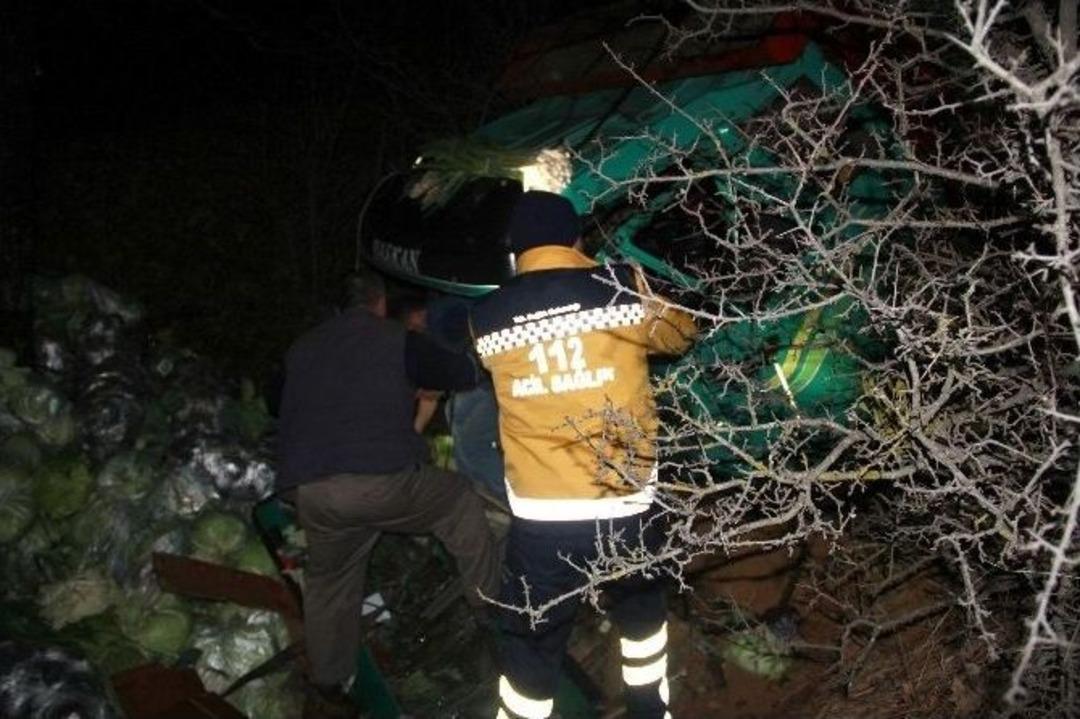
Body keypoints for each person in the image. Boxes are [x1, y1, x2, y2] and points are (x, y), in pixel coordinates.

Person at [469, 191, 697, 719]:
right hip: (626, 502)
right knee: (642, 624)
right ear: (576, 239)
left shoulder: (484, 316)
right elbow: (680, 335)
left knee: (530, 646)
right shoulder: (620, 286)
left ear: (515, 252)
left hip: (542, 520)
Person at [276, 267, 502, 717]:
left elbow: (280, 403)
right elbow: (461, 372)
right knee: (458, 500)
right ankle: (495, 612)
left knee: (330, 581)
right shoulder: (395, 339)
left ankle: (329, 684)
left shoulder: (301, 349)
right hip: (376, 483)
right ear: (379, 303)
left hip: (311, 492)